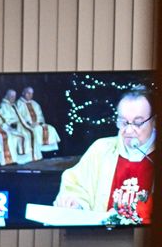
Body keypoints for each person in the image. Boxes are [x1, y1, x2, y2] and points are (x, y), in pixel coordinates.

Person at [54, 88, 154, 223]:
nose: (129, 130)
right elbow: (76, 187)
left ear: (154, 121)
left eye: (137, 123)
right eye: (123, 122)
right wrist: (75, 204)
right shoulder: (100, 150)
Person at [15, 86, 59, 156]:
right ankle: (37, 152)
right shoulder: (18, 104)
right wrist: (29, 123)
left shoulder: (35, 104)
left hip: (37, 124)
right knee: (36, 130)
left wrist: (40, 122)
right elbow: (19, 117)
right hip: (25, 125)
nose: (30, 95)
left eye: (32, 93)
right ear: (23, 93)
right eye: (28, 93)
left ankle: (48, 152)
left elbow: (40, 115)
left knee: (51, 128)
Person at [0, 88, 40, 162]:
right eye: (11, 96)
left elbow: (20, 116)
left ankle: (31, 157)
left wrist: (27, 123)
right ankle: (22, 158)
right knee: (26, 135)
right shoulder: (3, 105)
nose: (13, 98)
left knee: (31, 132)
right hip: (11, 127)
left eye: (14, 96)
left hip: (20, 124)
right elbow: (5, 119)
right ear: (7, 96)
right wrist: (14, 123)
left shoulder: (13, 105)